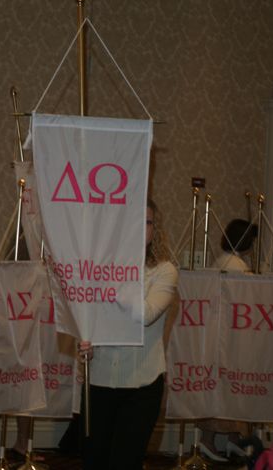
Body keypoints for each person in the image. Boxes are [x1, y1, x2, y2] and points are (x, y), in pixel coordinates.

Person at [78, 198, 179, 470]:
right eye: (136, 221)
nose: (142, 228)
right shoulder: (97, 267)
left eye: (148, 222)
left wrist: (113, 281)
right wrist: (86, 341)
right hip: (98, 379)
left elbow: (145, 315)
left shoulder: (164, 271)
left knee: (126, 462)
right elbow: (88, 317)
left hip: (142, 384)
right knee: (94, 460)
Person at [199, 218, 258, 462]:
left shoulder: (220, 261)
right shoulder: (238, 267)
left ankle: (233, 440)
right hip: (232, 338)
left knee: (221, 389)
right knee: (229, 390)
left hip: (217, 335)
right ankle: (211, 441)